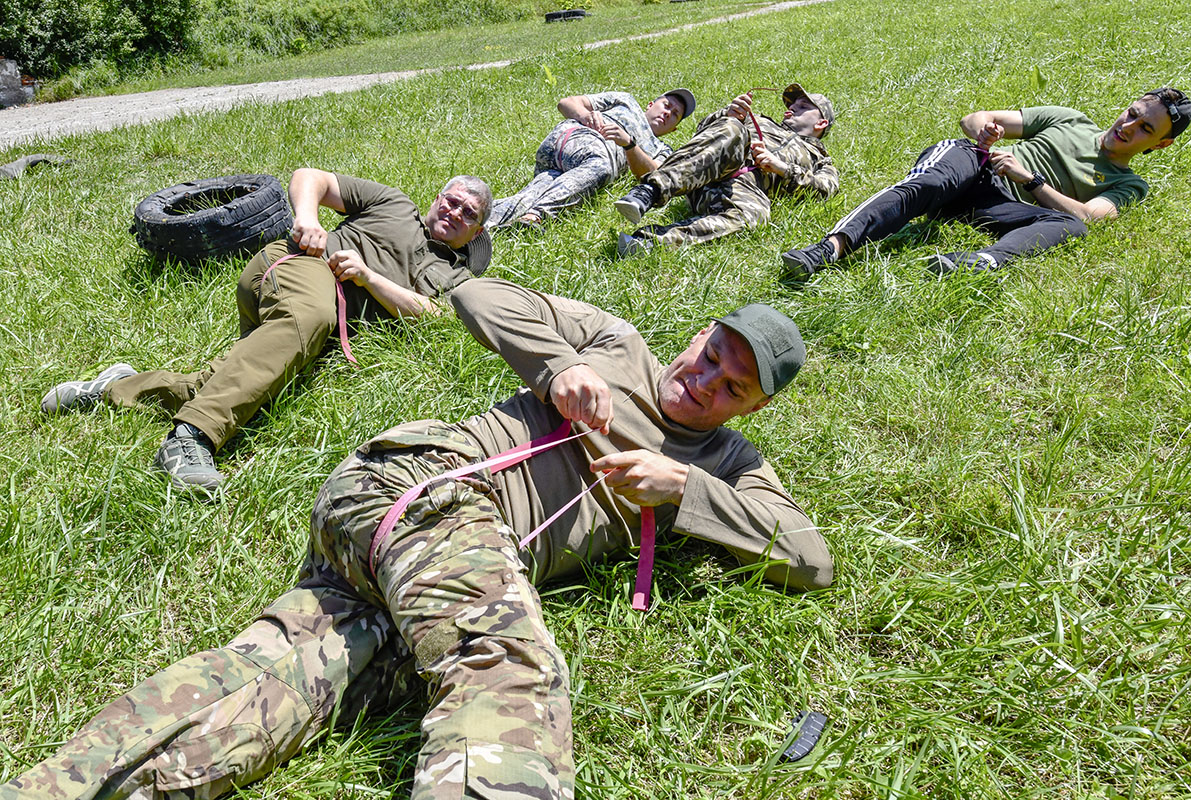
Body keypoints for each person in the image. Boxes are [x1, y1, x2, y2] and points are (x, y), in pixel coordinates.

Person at [3, 279, 832, 800]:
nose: (703, 382)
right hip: (421, 493)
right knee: (506, 666)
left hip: (407, 582)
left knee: (264, 692)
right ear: (700, 332)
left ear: (750, 409)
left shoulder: (728, 459)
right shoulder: (614, 344)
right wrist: (556, 369)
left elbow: (810, 556)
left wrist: (686, 490)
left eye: (731, 388)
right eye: (711, 354)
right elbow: (479, 299)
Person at [40, 168, 494, 493]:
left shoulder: (457, 278)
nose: (453, 212)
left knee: (234, 382)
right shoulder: (394, 204)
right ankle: (190, 438)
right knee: (311, 317)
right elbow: (312, 177)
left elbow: (432, 314)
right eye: (450, 201)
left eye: (468, 213)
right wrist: (309, 219)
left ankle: (112, 388)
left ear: (475, 232)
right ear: (437, 198)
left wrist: (369, 278)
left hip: (317, 323)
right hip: (300, 268)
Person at [780, 87, 1191, 279]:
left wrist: (1029, 180)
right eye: (1133, 113)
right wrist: (986, 136)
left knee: (1073, 226)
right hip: (974, 164)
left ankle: (978, 262)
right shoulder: (1070, 119)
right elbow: (975, 118)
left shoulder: (1130, 183)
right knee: (926, 185)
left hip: (1004, 203)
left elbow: (1091, 216)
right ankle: (830, 248)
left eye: (1145, 127)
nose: (1129, 125)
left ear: (1162, 142)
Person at [613, 83, 838, 256]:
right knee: (733, 129)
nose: (791, 108)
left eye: (802, 107)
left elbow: (825, 189)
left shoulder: (820, 159)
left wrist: (781, 168)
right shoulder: (756, 120)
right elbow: (702, 133)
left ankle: (650, 242)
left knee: (756, 216)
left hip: (745, 191)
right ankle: (650, 191)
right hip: (704, 171)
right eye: (791, 105)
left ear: (821, 123)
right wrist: (728, 114)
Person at [487, 88, 695, 227]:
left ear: (674, 129)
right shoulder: (626, 101)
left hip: (573, 170)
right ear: (650, 104)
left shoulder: (662, 148)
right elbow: (566, 103)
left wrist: (629, 144)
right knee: (601, 166)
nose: (668, 113)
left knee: (533, 193)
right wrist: (585, 115)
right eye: (666, 105)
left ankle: (480, 222)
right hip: (575, 136)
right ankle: (538, 215)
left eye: (675, 114)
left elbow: (653, 174)